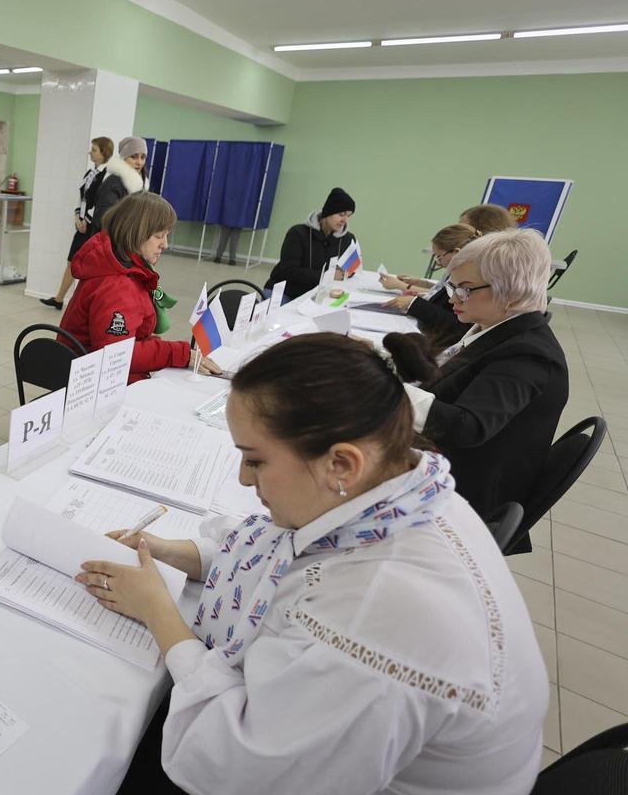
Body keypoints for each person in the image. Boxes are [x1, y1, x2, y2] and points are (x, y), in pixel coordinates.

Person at [77, 332, 548, 795]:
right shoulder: (405, 492)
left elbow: (236, 768)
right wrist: (174, 552)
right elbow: (276, 548)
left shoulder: (379, 611)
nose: (243, 479)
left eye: (256, 461)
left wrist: (159, 612)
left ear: (341, 465)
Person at [387, 228, 567, 534]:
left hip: (466, 494)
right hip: (447, 460)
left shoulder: (528, 356)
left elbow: (466, 427)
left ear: (511, 291)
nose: (454, 297)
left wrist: (383, 391)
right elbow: (450, 380)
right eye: (454, 287)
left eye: (465, 289)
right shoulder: (495, 328)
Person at [59, 192, 221, 382]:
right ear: (135, 233)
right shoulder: (117, 285)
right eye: (159, 236)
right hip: (94, 384)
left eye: (166, 235)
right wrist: (178, 353)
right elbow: (115, 357)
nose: (165, 244)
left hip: (94, 374)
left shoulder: (120, 267)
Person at [381, 222, 484, 347]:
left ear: (456, 253)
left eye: (439, 257)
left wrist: (414, 304)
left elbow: (460, 327)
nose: (438, 263)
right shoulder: (456, 274)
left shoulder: (472, 281)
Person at [40, 136, 113, 309]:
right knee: (72, 261)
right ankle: (59, 299)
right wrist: (76, 216)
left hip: (93, 227)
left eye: (94, 149)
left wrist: (86, 219)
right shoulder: (90, 173)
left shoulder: (107, 176)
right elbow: (82, 199)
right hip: (81, 226)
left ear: (104, 152)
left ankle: (79, 302)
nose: (90, 152)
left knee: (87, 266)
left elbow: (102, 203)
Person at [264, 187, 356, 300]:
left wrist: (347, 272)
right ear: (328, 212)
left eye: (348, 215)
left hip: (318, 294)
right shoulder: (297, 233)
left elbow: (351, 270)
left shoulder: (348, 239)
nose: (345, 220)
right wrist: (328, 275)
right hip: (285, 291)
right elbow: (289, 271)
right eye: (341, 214)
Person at [90, 136, 147, 231]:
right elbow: (103, 220)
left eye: (143, 157)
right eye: (134, 157)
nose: (139, 162)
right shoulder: (114, 183)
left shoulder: (140, 184)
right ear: (124, 158)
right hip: (110, 243)